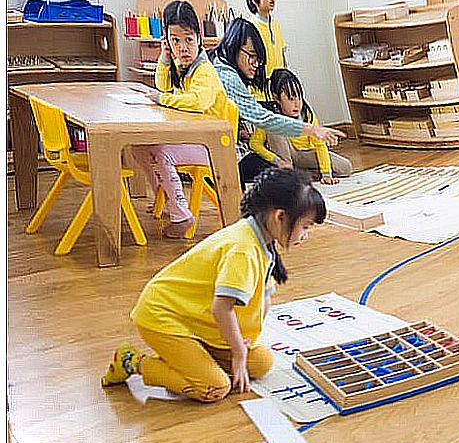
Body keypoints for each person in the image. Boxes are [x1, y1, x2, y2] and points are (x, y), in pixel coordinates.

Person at [101, 168, 326, 402]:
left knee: (261, 363)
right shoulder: (243, 249)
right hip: (163, 316)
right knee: (214, 388)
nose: (305, 235)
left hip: (197, 320)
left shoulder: (263, 240)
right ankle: (131, 361)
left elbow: (263, 299)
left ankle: (195, 357)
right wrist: (238, 351)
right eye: (306, 226)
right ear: (280, 216)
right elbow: (222, 308)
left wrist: (242, 341)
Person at [132, 0, 229, 238]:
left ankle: (181, 215)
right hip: (193, 137)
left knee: (161, 152)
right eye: (175, 40)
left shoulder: (204, 70)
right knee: (139, 147)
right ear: (166, 41)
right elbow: (162, 86)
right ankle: (163, 198)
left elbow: (198, 102)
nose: (183, 47)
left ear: (199, 37)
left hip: (214, 144)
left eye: (188, 39)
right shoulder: (181, 64)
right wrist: (165, 59)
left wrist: (162, 99)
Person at [209, 18, 345, 185]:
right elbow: (263, 121)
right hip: (217, 152)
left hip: (220, 146)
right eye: (251, 56)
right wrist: (311, 130)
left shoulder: (216, 63)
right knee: (279, 180)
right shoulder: (227, 76)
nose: (255, 64)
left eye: (257, 59)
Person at [250, 68, 353, 184]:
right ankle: (289, 174)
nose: (297, 104)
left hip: (305, 154)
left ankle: (301, 174)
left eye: (299, 97)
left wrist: (326, 173)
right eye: (290, 99)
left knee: (345, 168)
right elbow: (254, 144)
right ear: (276, 98)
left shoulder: (307, 113)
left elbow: (319, 144)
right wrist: (277, 160)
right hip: (285, 155)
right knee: (274, 128)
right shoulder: (269, 115)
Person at [246, 0, 287, 79]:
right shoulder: (251, 27)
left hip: (279, 84)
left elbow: (283, 56)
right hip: (263, 86)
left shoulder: (276, 25)